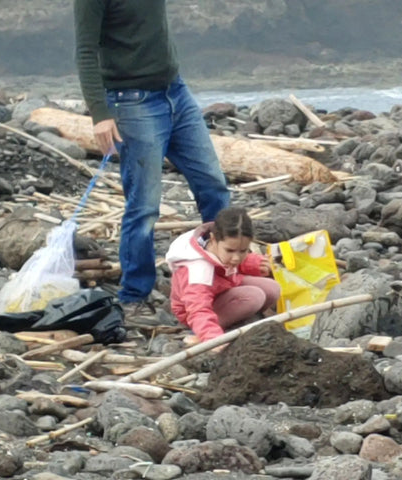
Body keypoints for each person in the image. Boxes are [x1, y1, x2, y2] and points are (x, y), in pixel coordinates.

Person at [73, 0, 230, 315]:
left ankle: (225, 270)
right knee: (144, 206)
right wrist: (99, 113)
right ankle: (134, 294)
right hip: (132, 101)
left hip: (175, 91)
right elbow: (85, 51)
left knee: (213, 184)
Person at [165, 207, 281, 342]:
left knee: (272, 289)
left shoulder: (220, 249)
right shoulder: (198, 270)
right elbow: (198, 309)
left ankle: (241, 319)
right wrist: (213, 340)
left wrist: (254, 264)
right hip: (194, 312)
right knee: (253, 297)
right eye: (230, 251)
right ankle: (207, 331)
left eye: (243, 251)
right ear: (213, 239)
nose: (236, 258)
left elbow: (234, 262)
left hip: (224, 286)